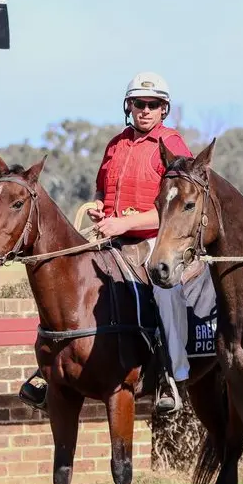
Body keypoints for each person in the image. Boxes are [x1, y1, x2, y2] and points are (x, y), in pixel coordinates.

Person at [18, 71, 195, 415]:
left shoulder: (173, 145)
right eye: (139, 103)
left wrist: (125, 223)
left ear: (164, 109)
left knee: (164, 291)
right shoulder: (115, 144)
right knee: (68, 282)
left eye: (153, 104)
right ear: (129, 106)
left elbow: (175, 209)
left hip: (154, 241)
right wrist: (100, 204)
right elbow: (102, 187)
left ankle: (172, 376)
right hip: (111, 238)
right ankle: (48, 371)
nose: (145, 110)